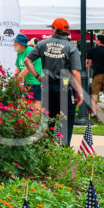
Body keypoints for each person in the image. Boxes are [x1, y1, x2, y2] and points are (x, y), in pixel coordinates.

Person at [25, 17, 85, 145]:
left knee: (47, 120)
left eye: (52, 28)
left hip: (47, 87)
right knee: (66, 121)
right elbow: (75, 72)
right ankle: (64, 149)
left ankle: (46, 150)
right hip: (63, 88)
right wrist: (80, 92)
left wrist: (37, 76)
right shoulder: (71, 47)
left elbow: (27, 60)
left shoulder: (42, 44)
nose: (51, 30)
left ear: (55, 29)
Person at [12, 33, 42, 105]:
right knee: (28, 105)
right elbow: (17, 68)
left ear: (22, 44)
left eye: (16, 43)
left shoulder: (30, 51)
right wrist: (14, 78)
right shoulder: (19, 52)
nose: (13, 45)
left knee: (35, 106)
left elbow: (27, 68)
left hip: (36, 82)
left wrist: (18, 78)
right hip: (28, 82)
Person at [88, 34, 104, 102]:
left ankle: (94, 111)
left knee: (95, 94)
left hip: (97, 74)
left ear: (99, 41)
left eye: (96, 40)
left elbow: (89, 64)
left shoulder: (92, 50)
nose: (95, 41)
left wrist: (93, 65)